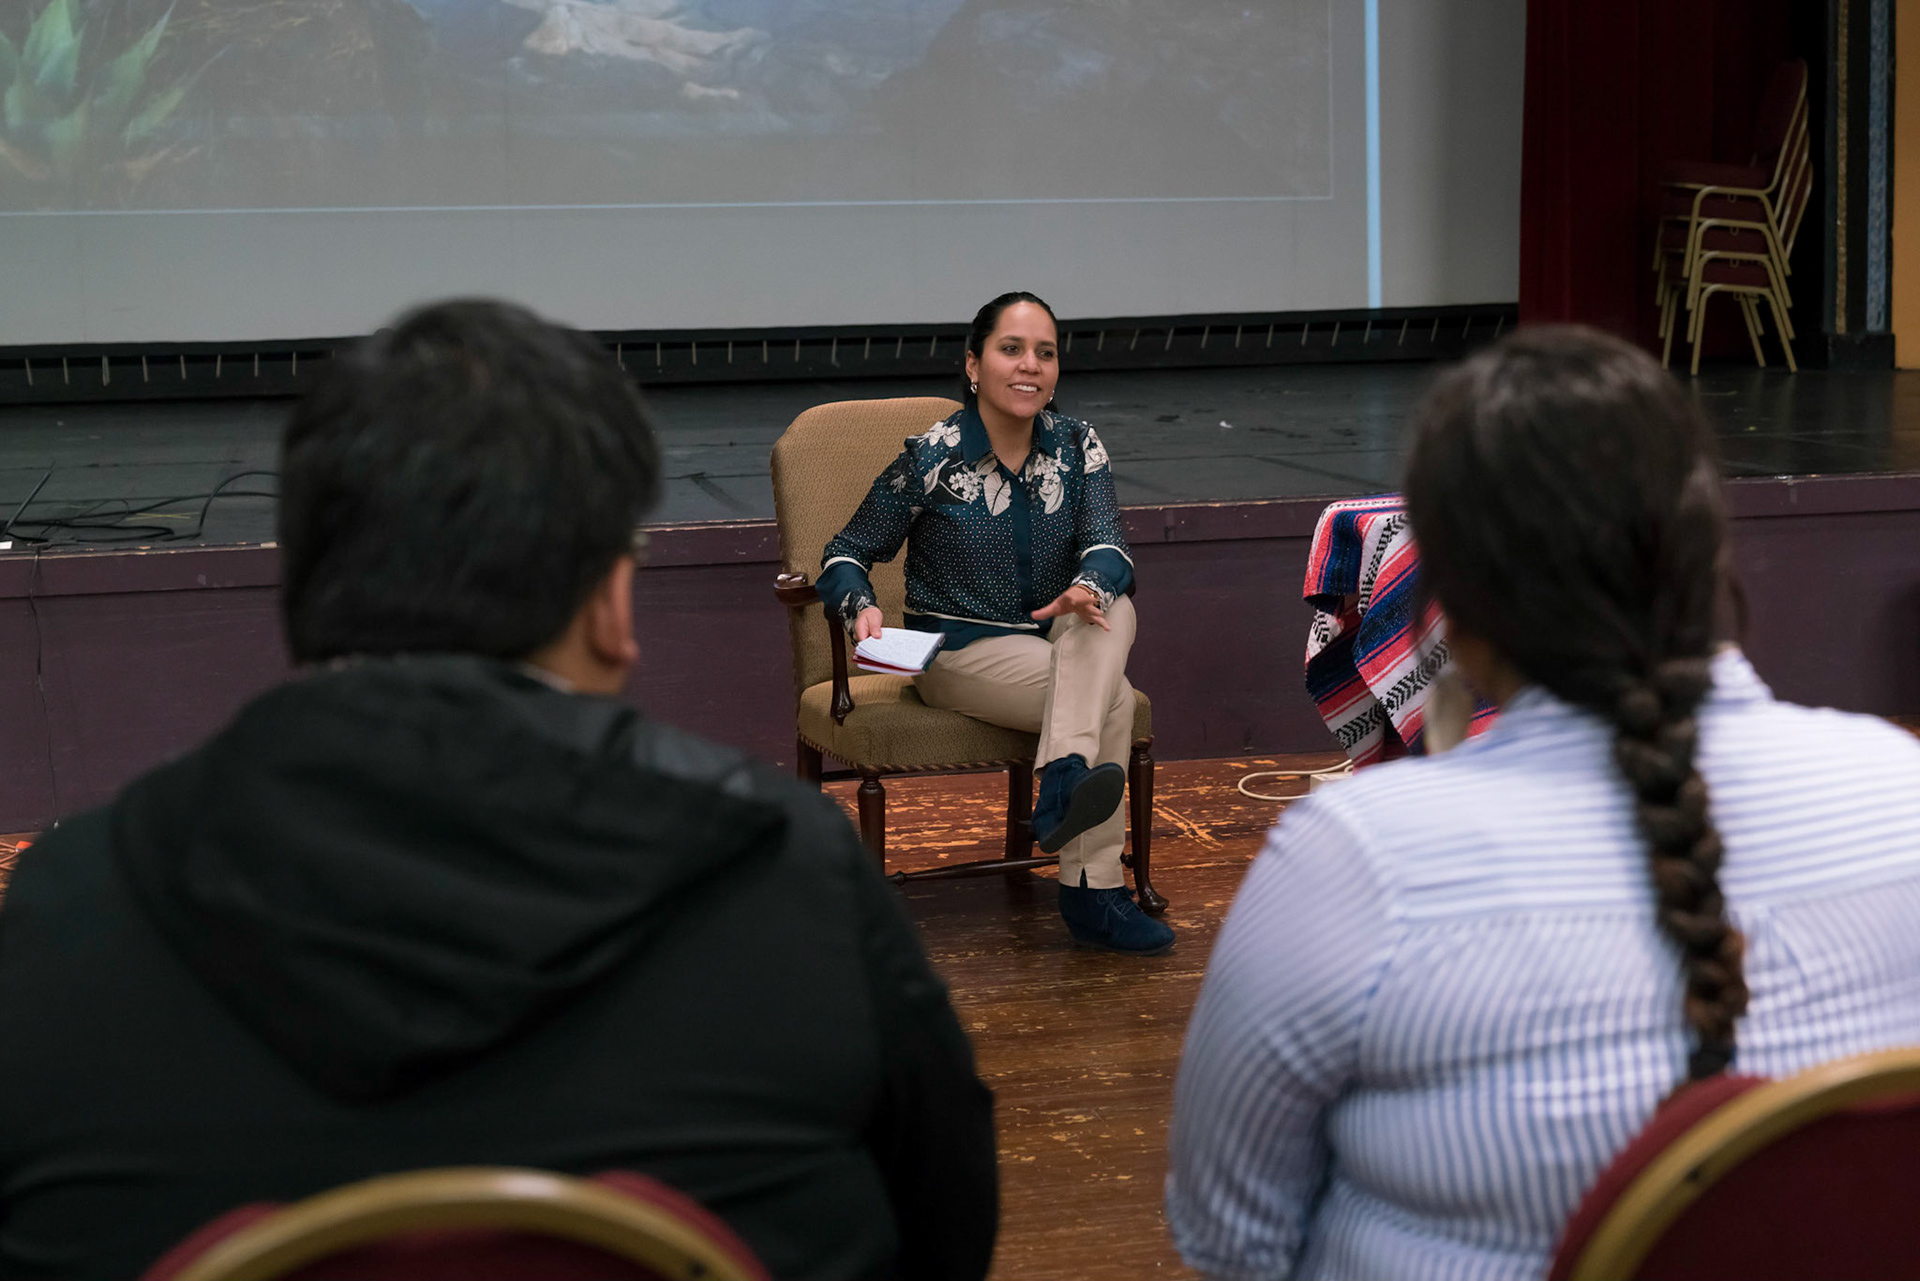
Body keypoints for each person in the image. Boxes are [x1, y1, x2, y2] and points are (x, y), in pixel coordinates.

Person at [0, 300, 997, 1281]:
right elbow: (946, 1232)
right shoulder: (793, 876)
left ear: (305, 594)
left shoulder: (68, 907)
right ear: (612, 604)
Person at [1165, 327, 1920, 1281]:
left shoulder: (1359, 862)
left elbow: (1230, 1239)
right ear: (1705, 554)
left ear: (1444, 611)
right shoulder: (1900, 790)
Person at [817, 291, 1173, 956]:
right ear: (974, 365)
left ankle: (1064, 778)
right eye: (1012, 349)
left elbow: (1108, 544)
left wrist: (1086, 587)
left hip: (1059, 639)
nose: (1029, 365)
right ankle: (1093, 894)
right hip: (956, 651)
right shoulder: (933, 456)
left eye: (1045, 352)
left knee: (1112, 603)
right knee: (1115, 698)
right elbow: (844, 550)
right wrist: (858, 605)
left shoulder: (1077, 443)